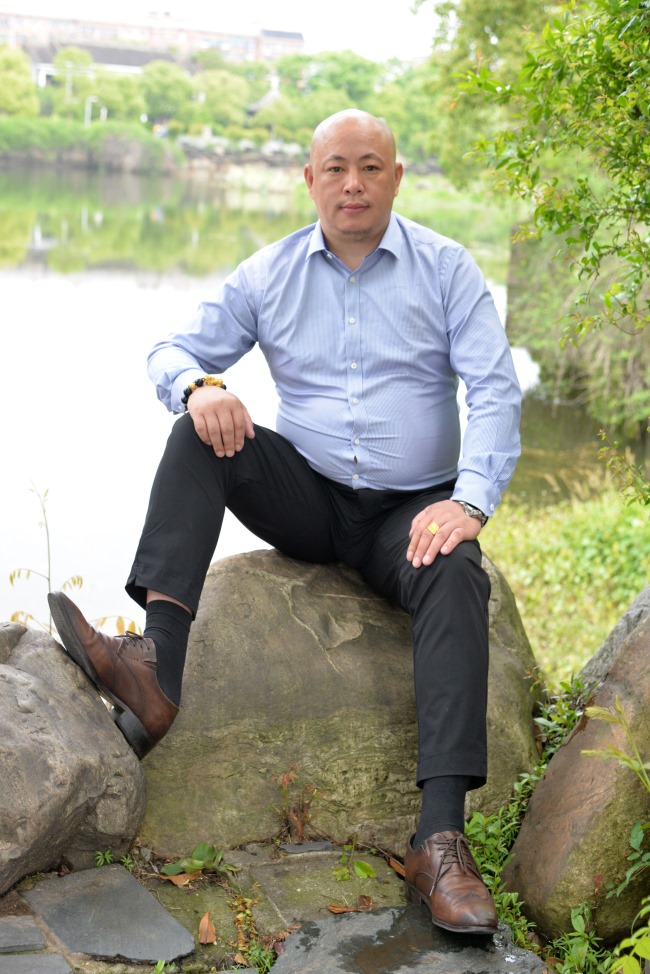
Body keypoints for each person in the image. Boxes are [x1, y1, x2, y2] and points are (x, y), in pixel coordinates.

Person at [48, 109, 521, 936]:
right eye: (336, 167)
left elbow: (495, 391)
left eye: (370, 167)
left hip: (412, 512)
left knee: (455, 571)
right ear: (309, 180)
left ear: (397, 178)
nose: (352, 184)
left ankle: (440, 841)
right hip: (310, 497)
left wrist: (469, 502)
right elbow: (170, 350)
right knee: (198, 433)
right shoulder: (269, 273)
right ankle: (155, 670)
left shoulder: (448, 269)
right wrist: (201, 387)